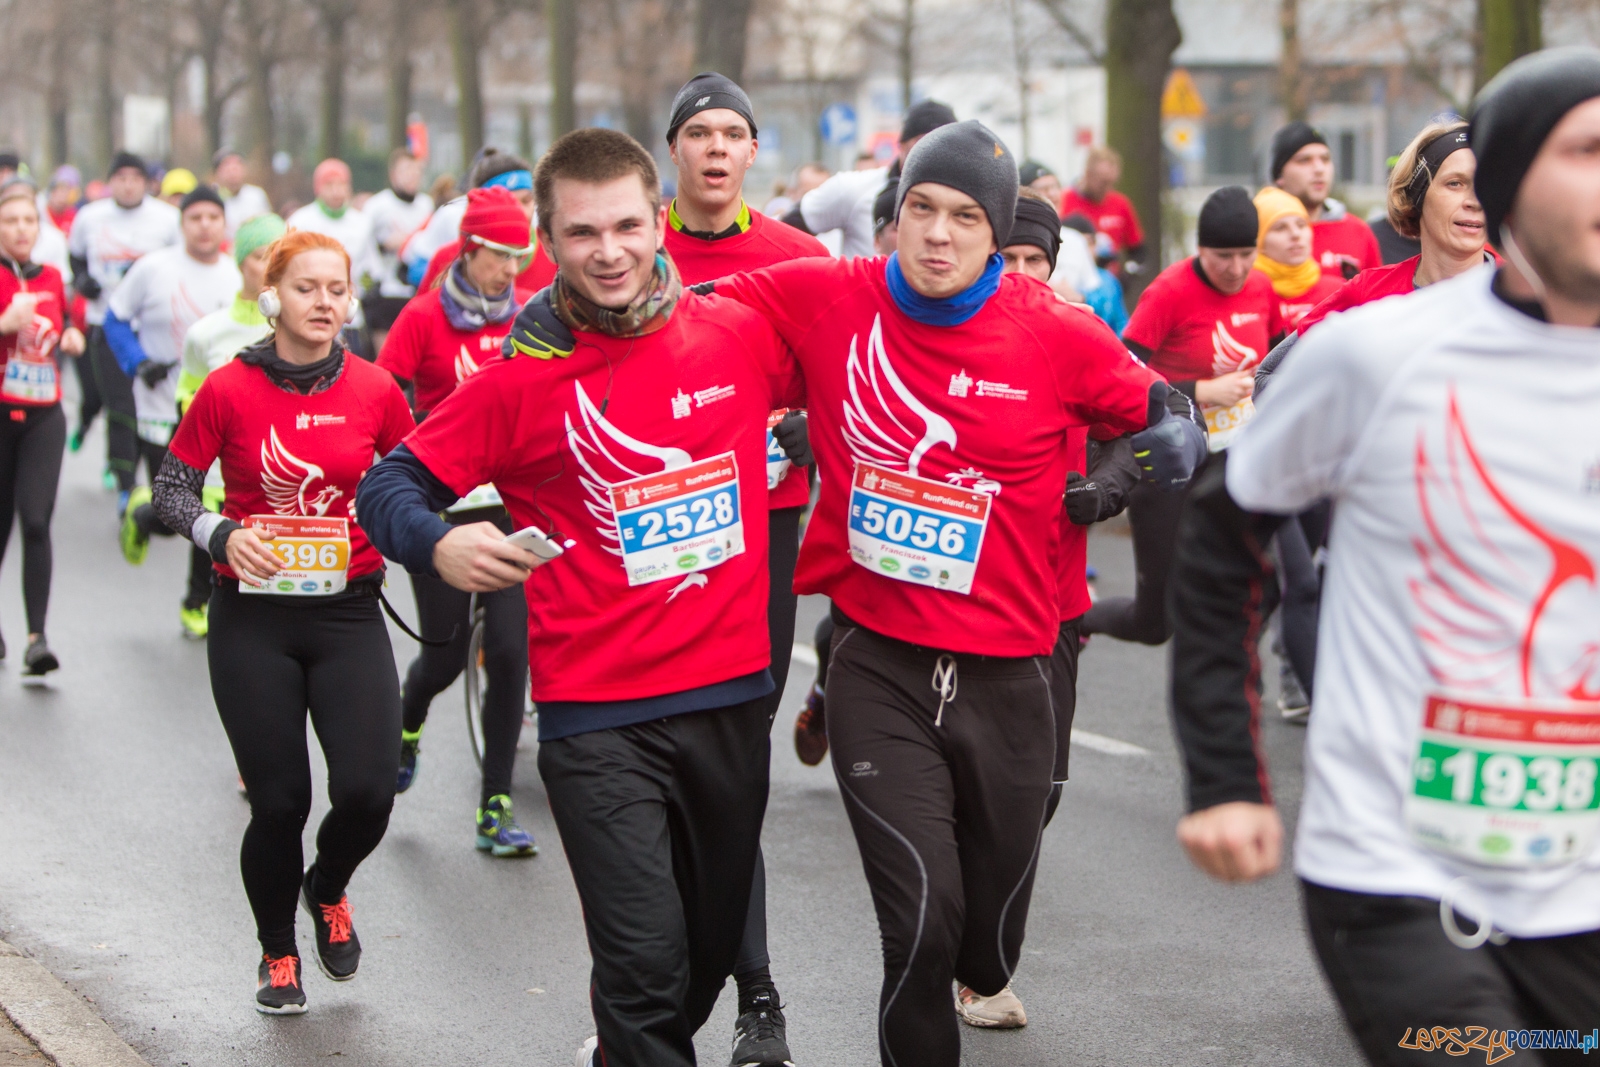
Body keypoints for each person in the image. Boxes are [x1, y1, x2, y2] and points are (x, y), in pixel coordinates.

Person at [686, 120, 1204, 1067]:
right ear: (893, 217)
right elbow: (678, 306)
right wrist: (566, 317)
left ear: (994, 230)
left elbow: (1170, 419)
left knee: (983, 943)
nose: (937, 233)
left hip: (1011, 674)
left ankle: (986, 956)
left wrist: (1130, 473)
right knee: (920, 929)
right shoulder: (828, 298)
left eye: (966, 217)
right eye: (920, 209)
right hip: (878, 663)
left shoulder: (1051, 331)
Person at [1172, 47, 1600, 1066]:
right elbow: (1220, 531)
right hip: (1402, 879)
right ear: (1500, 182)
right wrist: (1226, 774)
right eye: (1586, 151)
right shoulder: (1375, 352)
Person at [357, 128, 806, 1067]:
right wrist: (437, 541)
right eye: (581, 233)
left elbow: (874, 357)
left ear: (660, 221)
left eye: (627, 226)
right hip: (597, 718)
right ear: (546, 242)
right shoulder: (522, 380)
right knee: (643, 967)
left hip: (729, 699)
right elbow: (387, 486)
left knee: (706, 957)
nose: (609, 251)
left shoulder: (738, 333)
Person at [150, 229, 412, 1015]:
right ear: (273, 298)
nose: (325, 302)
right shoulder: (228, 389)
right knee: (280, 801)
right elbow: (172, 490)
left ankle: (326, 884)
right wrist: (221, 532)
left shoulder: (376, 389)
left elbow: (416, 478)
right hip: (253, 620)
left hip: (349, 613)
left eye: (337, 288)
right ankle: (277, 953)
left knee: (368, 791)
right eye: (307, 288)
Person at [660, 71, 832, 1067]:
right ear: (673, 151)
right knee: (661, 757)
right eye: (700, 133)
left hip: (759, 528)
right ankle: (703, 978)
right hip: (653, 534)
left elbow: (841, 386)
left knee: (730, 758)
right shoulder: (631, 247)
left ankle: (750, 988)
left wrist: (805, 432)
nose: (717, 149)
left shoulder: (796, 258)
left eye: (733, 133)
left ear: (750, 152)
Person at [375, 186, 538, 858]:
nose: (511, 269)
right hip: (441, 506)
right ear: (469, 249)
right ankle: (408, 723)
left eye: (519, 256)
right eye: (500, 255)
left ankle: (494, 804)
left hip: (505, 507)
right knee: (442, 655)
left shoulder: (531, 314)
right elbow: (382, 397)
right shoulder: (422, 318)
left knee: (507, 649)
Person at [1081, 186, 1281, 648]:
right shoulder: (1170, 291)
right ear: (1200, 249)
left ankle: (1221, 672)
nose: (1235, 269)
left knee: (1261, 582)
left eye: (1246, 255)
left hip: (1235, 458)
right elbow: (1121, 375)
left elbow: (1276, 358)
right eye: (1222, 256)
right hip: (1167, 465)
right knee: (1156, 624)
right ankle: (1077, 622)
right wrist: (1200, 391)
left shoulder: (1262, 288)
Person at [104, 186, 241, 637]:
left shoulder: (237, 276)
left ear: (224, 225)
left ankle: (195, 601)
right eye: (195, 217)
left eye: (213, 217)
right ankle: (144, 515)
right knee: (174, 510)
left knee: (208, 504)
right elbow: (114, 319)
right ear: (182, 224)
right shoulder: (154, 269)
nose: (204, 225)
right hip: (161, 408)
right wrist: (136, 362)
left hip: (217, 419)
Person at [0, 180, 86, 675]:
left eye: (28, 221)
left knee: (35, 520)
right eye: (10, 221)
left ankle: (37, 638)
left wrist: (73, 334)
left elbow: (67, 324)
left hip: (44, 416)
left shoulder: (52, 277)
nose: (20, 229)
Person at [68, 152, 180, 497]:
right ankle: (126, 486)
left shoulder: (168, 218)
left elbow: (181, 265)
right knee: (120, 406)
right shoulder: (89, 216)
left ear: (147, 182)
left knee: (159, 409)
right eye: (121, 177)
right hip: (106, 323)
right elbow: (75, 258)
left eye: (136, 177)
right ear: (110, 181)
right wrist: (83, 279)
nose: (128, 184)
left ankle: (163, 486)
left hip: (154, 328)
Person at [782, 100, 957, 257]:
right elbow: (784, 234)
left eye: (945, 143)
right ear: (901, 144)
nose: (935, 152)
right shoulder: (854, 188)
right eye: (923, 142)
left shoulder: (967, 198)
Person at [1270, 121, 1382, 278]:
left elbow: (1377, 299)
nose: (1319, 169)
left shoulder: (1358, 231)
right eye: (1304, 160)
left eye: (1325, 159)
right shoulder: (1259, 232)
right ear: (1279, 176)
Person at [359, 148, 435, 353]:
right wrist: (383, 245)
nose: (412, 176)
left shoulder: (426, 205)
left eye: (416, 171)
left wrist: (411, 242)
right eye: (406, 170)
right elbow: (362, 244)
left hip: (416, 291)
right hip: (384, 291)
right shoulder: (377, 206)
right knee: (385, 355)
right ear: (393, 175)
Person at [1252, 186, 1343, 331]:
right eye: (1280, 228)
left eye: (1301, 225)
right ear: (1259, 241)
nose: (1295, 234)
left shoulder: (1338, 291)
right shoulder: (1248, 295)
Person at [1059, 146, 1145, 273]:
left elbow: (1137, 249)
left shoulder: (1121, 203)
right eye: (1103, 182)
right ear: (1088, 174)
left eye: (1111, 183)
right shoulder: (1065, 201)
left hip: (1110, 280)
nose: (1107, 188)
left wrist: (1129, 272)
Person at [286, 160, 371, 266]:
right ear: (318, 188)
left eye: (341, 184)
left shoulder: (361, 222)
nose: (336, 191)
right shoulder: (300, 221)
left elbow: (371, 266)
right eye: (329, 185)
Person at [212, 149, 273, 237]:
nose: (232, 171)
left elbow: (268, 226)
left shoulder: (256, 195)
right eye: (226, 166)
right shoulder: (214, 200)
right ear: (217, 173)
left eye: (236, 166)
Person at [762, 161, 829, 218]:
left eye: (823, 195)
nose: (818, 201)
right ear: (792, 192)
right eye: (809, 194)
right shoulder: (784, 210)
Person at [45, 167, 80, 232]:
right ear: (52, 193)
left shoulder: (73, 215)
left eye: (64, 193)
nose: (61, 198)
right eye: (58, 193)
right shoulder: (43, 213)